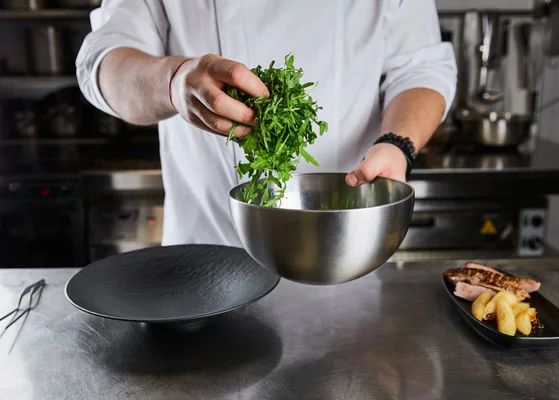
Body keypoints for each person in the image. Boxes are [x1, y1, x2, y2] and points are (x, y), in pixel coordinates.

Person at [76, 0, 457, 248]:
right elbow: (102, 63)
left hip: (345, 249)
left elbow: (421, 66)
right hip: (209, 251)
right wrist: (173, 82)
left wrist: (396, 144)